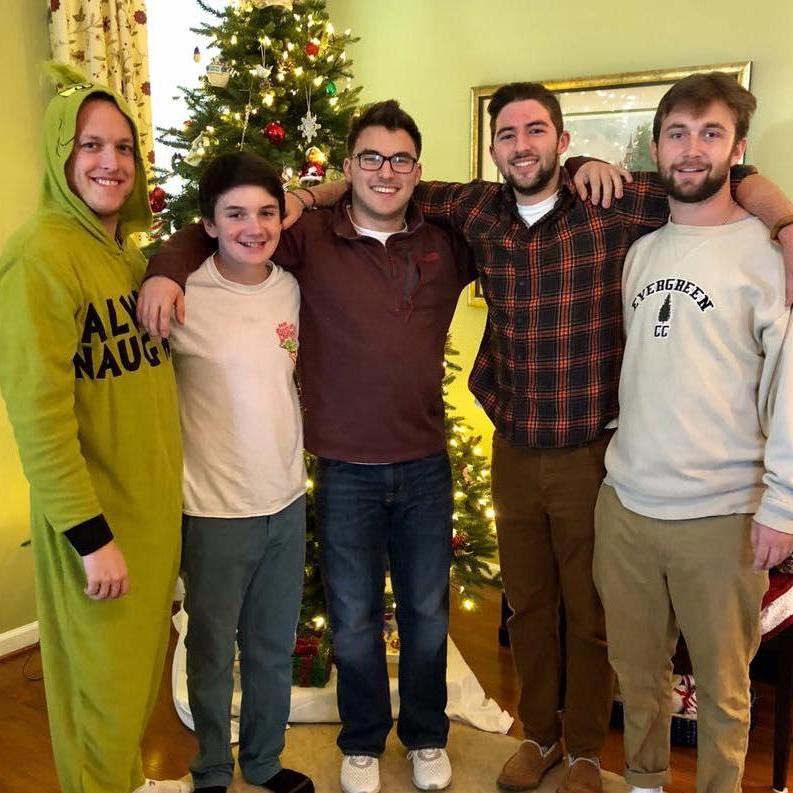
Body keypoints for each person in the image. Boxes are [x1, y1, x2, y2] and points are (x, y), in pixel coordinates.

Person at [288, 81, 793, 793]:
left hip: (591, 448)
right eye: (506, 134)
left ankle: (585, 749)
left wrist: (786, 224)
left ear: (561, 142)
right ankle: (538, 734)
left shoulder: (611, 203)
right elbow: (381, 178)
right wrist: (309, 195)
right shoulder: (471, 209)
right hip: (514, 447)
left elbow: (718, 175)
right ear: (492, 147)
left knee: (587, 611)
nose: (520, 146)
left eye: (535, 132)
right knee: (526, 605)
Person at [137, 101, 476, 793]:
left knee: (425, 612)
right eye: (370, 158)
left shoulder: (447, 240)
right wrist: (165, 269)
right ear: (348, 166)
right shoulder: (307, 241)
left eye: (400, 159)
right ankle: (358, 741)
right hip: (340, 470)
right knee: (350, 621)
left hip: (421, 464)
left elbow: (508, 216)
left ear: (417, 167)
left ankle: (424, 734)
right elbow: (220, 230)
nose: (386, 171)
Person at [593, 72, 793, 793]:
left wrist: (782, 505)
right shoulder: (641, 251)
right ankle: (644, 782)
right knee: (636, 675)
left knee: (722, 687)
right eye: (676, 133)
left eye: (710, 133)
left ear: (737, 149)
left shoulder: (768, 257)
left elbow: (789, 387)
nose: (690, 149)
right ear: (656, 146)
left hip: (722, 514)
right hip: (626, 505)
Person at [0, 65, 186, 793]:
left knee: (134, 691)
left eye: (123, 147)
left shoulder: (127, 256)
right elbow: (37, 416)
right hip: (100, 531)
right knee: (99, 702)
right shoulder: (39, 255)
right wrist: (89, 535)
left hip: (149, 519)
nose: (110, 162)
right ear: (61, 155)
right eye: (90, 146)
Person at [169, 151, 313, 793]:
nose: (253, 226)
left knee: (271, 648)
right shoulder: (180, 294)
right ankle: (212, 768)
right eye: (235, 214)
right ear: (209, 222)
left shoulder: (291, 286)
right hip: (213, 508)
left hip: (285, 500)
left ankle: (263, 761)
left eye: (265, 212)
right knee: (210, 652)